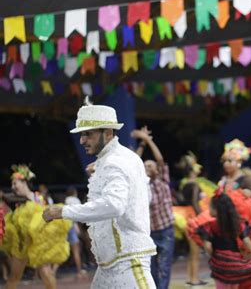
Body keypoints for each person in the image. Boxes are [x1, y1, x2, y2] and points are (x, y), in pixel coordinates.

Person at [42, 99, 157, 289]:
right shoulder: (125, 158)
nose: (82, 141)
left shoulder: (113, 162)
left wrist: (63, 212)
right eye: (81, 135)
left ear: (108, 133)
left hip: (127, 261)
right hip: (112, 263)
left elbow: (114, 205)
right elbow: (145, 197)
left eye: (88, 134)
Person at [2, 165, 71, 289]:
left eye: (15, 183)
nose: (13, 187)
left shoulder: (38, 198)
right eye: (12, 184)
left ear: (24, 182)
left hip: (37, 244)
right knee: (14, 276)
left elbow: (45, 218)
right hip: (22, 243)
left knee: (46, 272)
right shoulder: (15, 201)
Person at [132, 126, 175, 289]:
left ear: (157, 169)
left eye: (151, 165)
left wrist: (148, 140)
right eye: (145, 166)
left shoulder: (162, 180)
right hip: (149, 233)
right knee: (151, 270)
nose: (148, 167)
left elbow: (160, 160)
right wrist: (141, 144)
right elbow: (134, 165)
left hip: (166, 231)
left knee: (164, 268)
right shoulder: (140, 185)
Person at [197, 190, 251, 289]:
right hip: (236, 264)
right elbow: (247, 241)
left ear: (217, 210)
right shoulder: (237, 224)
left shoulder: (209, 226)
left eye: (210, 206)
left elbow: (208, 247)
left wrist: (214, 255)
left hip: (220, 264)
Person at [174, 152, 216, 286]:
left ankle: (191, 277)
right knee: (195, 251)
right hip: (193, 217)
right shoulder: (195, 185)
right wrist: (201, 218)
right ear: (193, 170)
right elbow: (194, 201)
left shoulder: (185, 184)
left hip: (186, 216)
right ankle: (194, 279)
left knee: (191, 252)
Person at [64, 186, 87, 279]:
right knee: (76, 250)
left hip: (65, 225)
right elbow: (79, 214)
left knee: (64, 248)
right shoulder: (76, 199)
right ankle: (79, 270)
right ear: (74, 192)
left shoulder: (66, 199)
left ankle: (54, 269)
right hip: (73, 226)